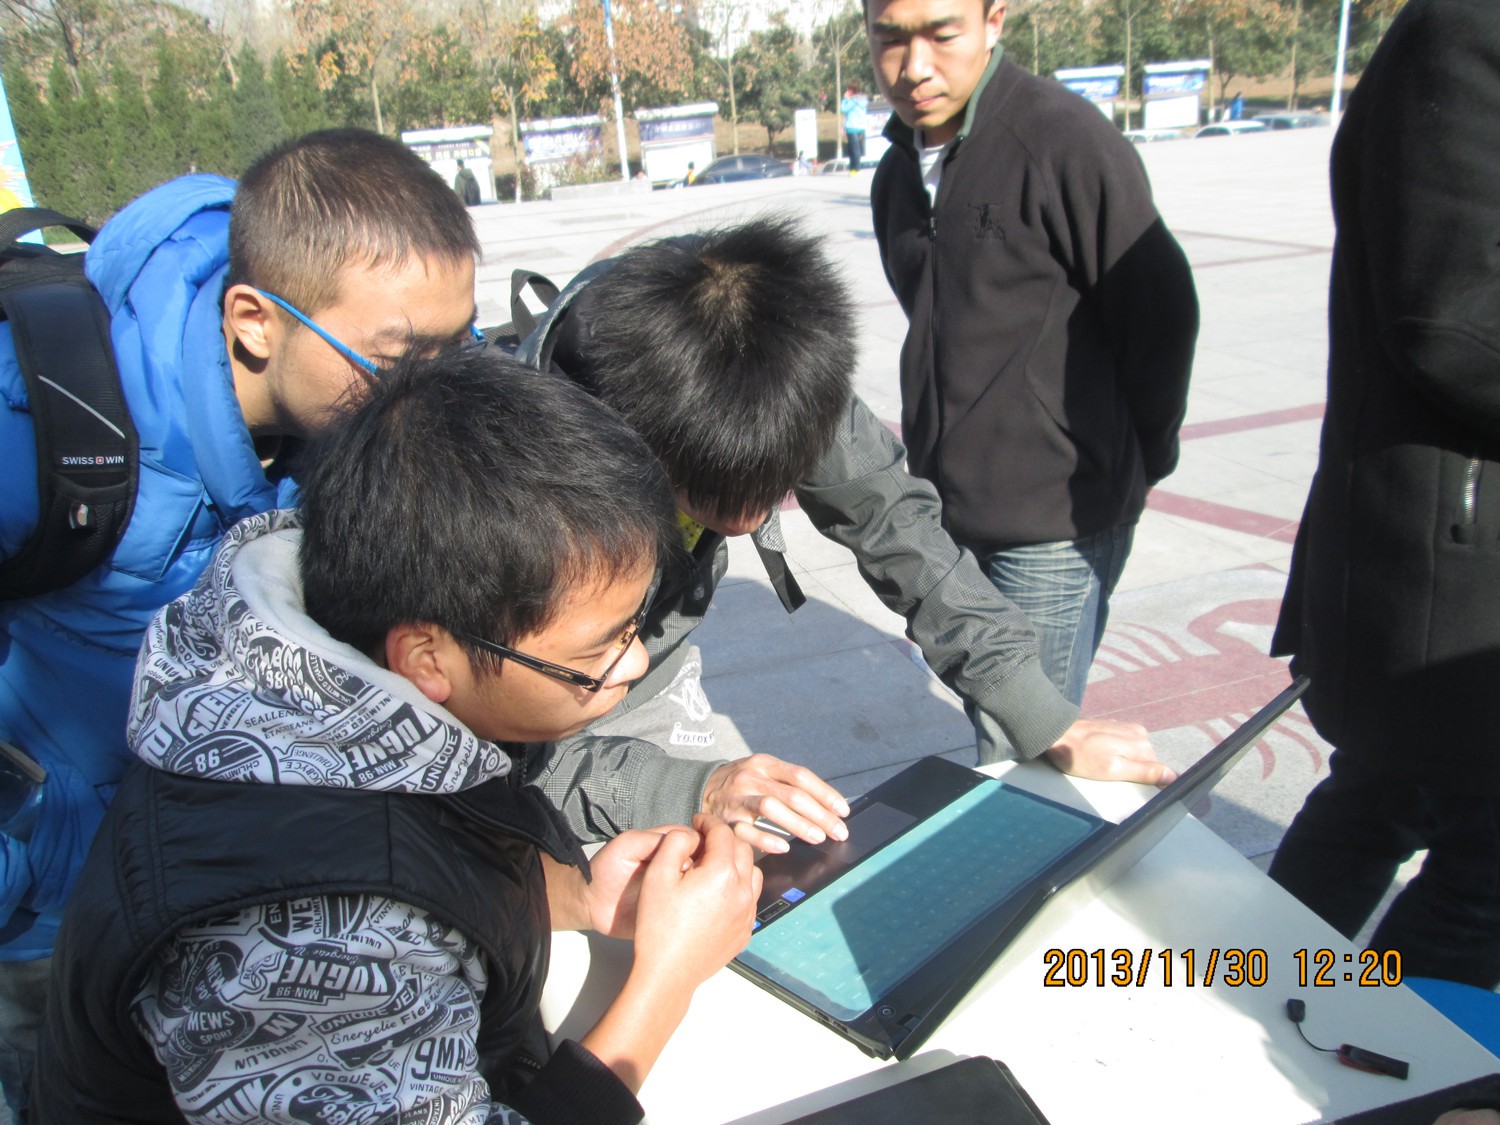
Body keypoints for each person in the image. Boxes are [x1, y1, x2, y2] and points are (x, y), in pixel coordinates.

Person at [32, 348, 762, 1123]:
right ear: (427, 657)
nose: (636, 661)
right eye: (597, 650)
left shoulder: (314, 676)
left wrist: (574, 897)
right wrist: (664, 981)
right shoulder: (307, 940)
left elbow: (427, 853)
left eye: (636, 626)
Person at [0, 127, 480, 1112]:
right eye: (400, 358)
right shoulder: (41, 439)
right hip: (49, 932)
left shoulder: (332, 426)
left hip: (217, 906)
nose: (432, 390)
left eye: (457, 345)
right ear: (255, 321)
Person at [517, 217, 1174, 856]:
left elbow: (896, 525)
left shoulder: (769, 365)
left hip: (650, 682)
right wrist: (692, 787)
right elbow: (492, 756)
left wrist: (1040, 715)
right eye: (707, 495)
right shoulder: (521, 486)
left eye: (773, 488)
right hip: (526, 708)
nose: (746, 521)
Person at [864, 0, 1198, 748]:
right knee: (1006, 739)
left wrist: (1139, 456)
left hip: (1053, 523)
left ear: (994, 20)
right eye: (890, 39)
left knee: (1021, 747)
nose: (914, 67)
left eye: (941, 34)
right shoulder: (896, 176)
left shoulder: (1061, 140)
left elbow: (1161, 310)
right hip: (950, 517)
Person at [1268, 0, 1500, 991]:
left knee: (1380, 798)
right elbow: (1452, 322)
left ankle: (1264, 997)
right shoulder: (1467, 29)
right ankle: (1366, 1039)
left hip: (1440, 560)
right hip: (1440, 557)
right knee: (1482, 869)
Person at [840, 83, 869, 172]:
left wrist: (845, 98)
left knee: (853, 149)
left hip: (852, 126)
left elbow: (843, 109)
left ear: (852, 91)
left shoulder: (853, 101)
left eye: (848, 90)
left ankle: (855, 169)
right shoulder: (863, 100)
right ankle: (854, 168)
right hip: (861, 127)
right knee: (855, 148)